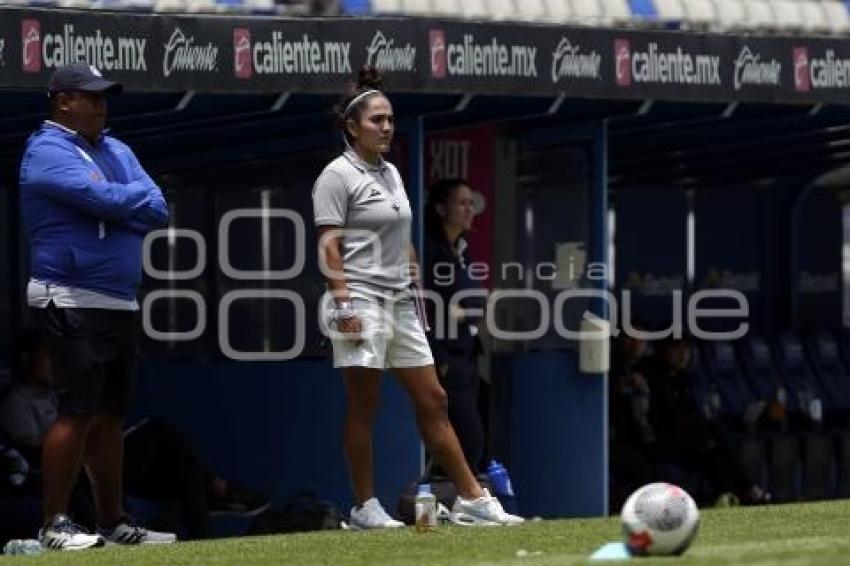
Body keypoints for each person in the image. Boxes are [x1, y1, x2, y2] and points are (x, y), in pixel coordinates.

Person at [311, 67, 523, 529]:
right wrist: (343, 303)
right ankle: (365, 507)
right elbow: (329, 246)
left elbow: (400, 233)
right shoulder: (335, 176)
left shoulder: (391, 173)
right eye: (376, 120)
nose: (387, 127)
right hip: (359, 300)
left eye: (390, 119)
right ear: (352, 126)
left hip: (400, 302)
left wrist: (411, 268)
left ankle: (471, 498)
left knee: (435, 398)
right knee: (364, 403)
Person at [18, 62, 176, 550]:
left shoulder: (117, 148)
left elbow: (158, 207)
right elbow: (99, 198)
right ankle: (53, 525)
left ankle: (112, 521)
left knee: (110, 415)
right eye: (91, 96)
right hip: (68, 294)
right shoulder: (45, 150)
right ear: (63, 100)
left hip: (119, 301)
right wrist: (120, 200)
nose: (101, 104)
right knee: (78, 410)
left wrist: (115, 200)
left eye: (105, 95)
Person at [0, 329, 269, 540]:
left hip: (101, 463)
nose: (55, 364)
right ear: (28, 360)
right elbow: (33, 449)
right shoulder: (17, 402)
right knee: (158, 430)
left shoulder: (62, 395)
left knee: (186, 471)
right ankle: (219, 488)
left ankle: (207, 534)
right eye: (48, 357)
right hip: (74, 471)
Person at [422, 179, 486, 474]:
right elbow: (431, 306)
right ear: (440, 208)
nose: (469, 209)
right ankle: (443, 500)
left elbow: (476, 301)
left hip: (467, 351)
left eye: (471, 203)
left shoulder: (462, 248)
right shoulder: (429, 250)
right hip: (444, 355)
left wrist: (466, 309)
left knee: (471, 438)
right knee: (466, 439)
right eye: (461, 203)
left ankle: (454, 501)